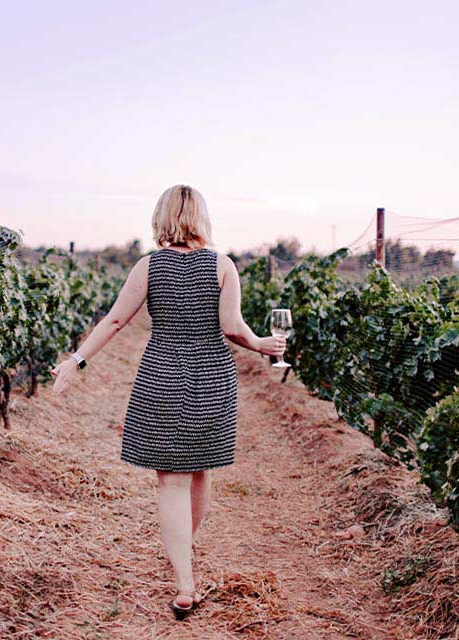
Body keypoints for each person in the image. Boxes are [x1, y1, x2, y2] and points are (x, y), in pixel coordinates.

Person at [50, 184, 287, 620]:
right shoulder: (222, 266)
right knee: (200, 471)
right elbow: (233, 327)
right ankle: (185, 555)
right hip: (213, 378)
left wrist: (76, 360)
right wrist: (261, 345)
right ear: (202, 218)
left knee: (172, 482)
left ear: (162, 218)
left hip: (162, 376)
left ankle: (184, 582)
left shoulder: (148, 266)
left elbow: (117, 319)